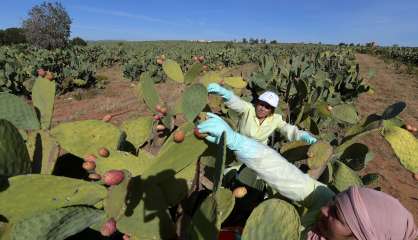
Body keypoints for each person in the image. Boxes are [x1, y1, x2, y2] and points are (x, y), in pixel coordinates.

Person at [197, 113, 418, 240]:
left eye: (335, 215)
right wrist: (238, 142)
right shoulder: (324, 201)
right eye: (333, 201)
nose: (324, 208)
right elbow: (284, 174)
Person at [207, 83, 317, 145]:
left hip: (258, 153)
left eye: (267, 107)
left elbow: (288, 129)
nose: (263, 108)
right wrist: (225, 94)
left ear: (271, 110)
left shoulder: (275, 119)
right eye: (261, 104)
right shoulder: (248, 109)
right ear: (257, 103)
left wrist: (302, 136)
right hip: (238, 147)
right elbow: (237, 103)